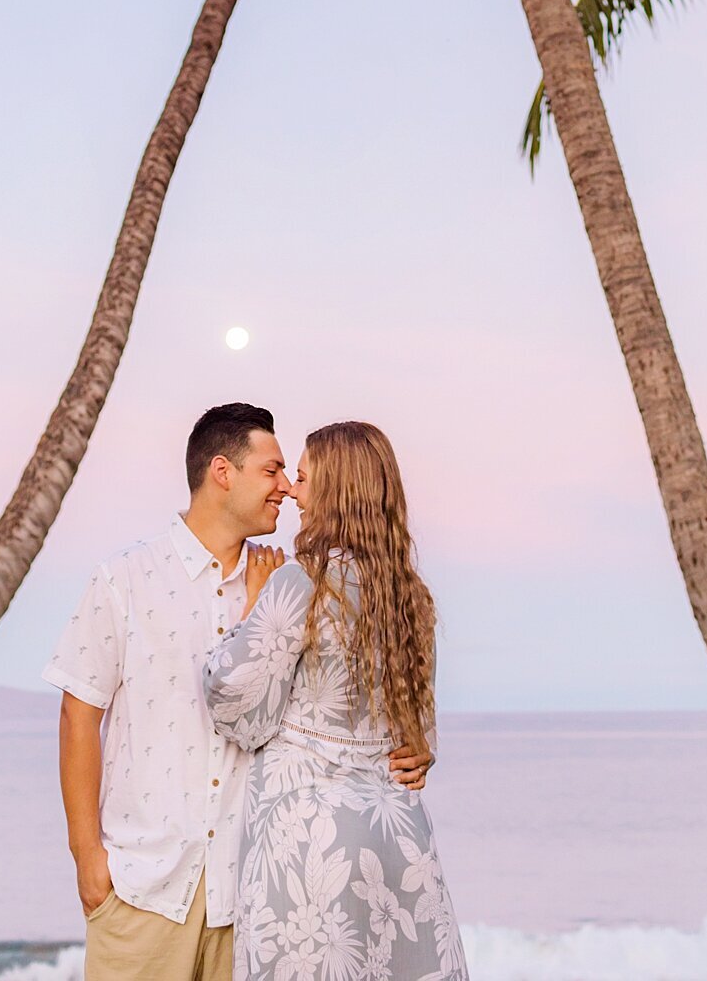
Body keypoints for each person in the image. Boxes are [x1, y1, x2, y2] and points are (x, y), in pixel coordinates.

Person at [42, 402, 432, 981]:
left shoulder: (291, 583)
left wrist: (408, 744)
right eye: (273, 471)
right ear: (223, 472)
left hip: (254, 895)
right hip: (145, 886)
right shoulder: (126, 578)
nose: (287, 489)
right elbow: (79, 716)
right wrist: (88, 860)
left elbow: (349, 694)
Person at [204, 420, 468, 981]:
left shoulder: (301, 581)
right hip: (396, 833)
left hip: (310, 835)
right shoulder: (410, 597)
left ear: (334, 492)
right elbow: (417, 740)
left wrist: (251, 608)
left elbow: (233, 702)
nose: (294, 493)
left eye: (303, 480)